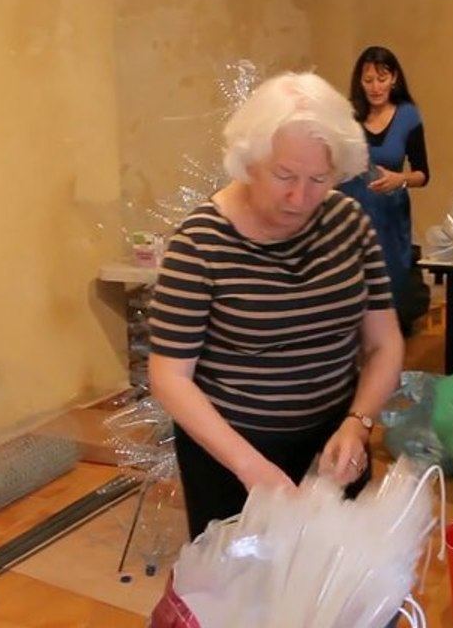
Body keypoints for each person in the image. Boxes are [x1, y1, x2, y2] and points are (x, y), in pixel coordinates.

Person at [149, 71, 405, 539]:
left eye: (319, 179)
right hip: (231, 453)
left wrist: (358, 422)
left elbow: (385, 344)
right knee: (246, 595)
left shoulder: (348, 224)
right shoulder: (201, 242)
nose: (300, 197)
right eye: (284, 176)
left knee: (332, 589)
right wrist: (251, 468)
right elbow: (169, 376)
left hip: (333, 444)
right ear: (249, 162)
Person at [339, 46, 429, 334]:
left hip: (390, 216)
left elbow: (423, 174)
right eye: (368, 80)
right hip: (351, 213)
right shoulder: (349, 116)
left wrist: (399, 179)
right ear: (359, 82)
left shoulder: (408, 116)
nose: (375, 87)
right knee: (350, 286)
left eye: (382, 78)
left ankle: (387, 350)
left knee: (389, 287)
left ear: (394, 78)